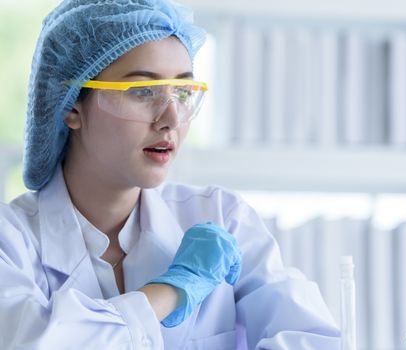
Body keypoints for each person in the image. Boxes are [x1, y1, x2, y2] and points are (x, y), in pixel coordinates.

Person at [0, 0, 340, 348]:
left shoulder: (223, 219)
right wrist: (171, 292)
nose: (172, 119)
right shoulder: (10, 242)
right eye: (143, 91)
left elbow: (312, 340)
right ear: (70, 105)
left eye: (182, 91)